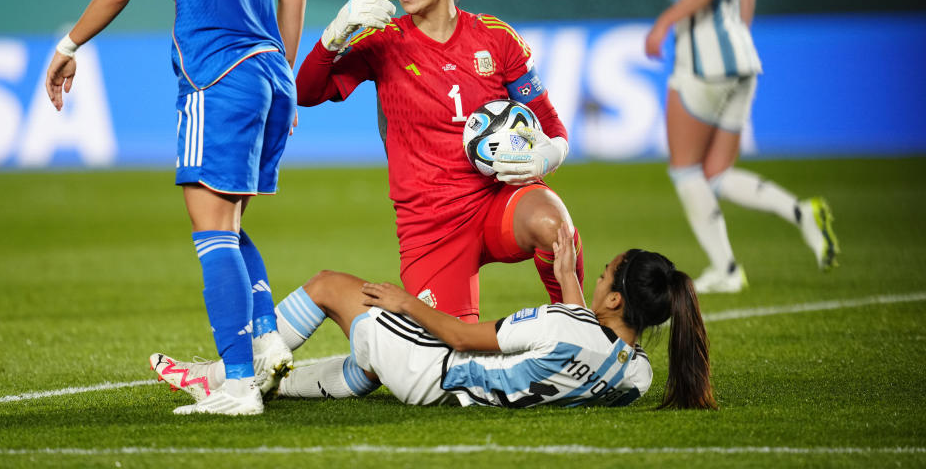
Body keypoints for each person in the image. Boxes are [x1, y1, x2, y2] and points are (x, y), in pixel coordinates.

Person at [44, 0, 307, 415]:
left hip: (216, 73)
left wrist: (68, 44)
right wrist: (282, 73)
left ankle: (238, 387)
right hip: (270, 71)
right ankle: (265, 345)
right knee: (231, 220)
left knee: (212, 228)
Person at [291, 0, 583, 324]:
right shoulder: (382, 40)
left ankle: (578, 328)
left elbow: (550, 123)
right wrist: (331, 38)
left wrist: (548, 156)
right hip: (431, 224)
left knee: (553, 221)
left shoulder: (497, 39)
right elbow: (306, 93)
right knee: (449, 362)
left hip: (495, 202)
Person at [152, 222, 717, 409]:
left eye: (604, 276)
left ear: (616, 300)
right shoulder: (638, 376)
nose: (595, 280)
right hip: (455, 389)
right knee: (366, 359)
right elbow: (579, 341)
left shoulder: (564, 321)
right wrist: (570, 281)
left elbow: (458, 335)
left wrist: (405, 302)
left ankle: (234, 379)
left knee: (328, 286)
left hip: (437, 375)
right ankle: (262, 382)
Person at [631, 0, 840, 293]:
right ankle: (802, 212)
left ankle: (726, 270)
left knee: (685, 171)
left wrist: (664, 24)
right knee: (716, 174)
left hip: (704, 64)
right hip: (742, 62)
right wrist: (736, 37)